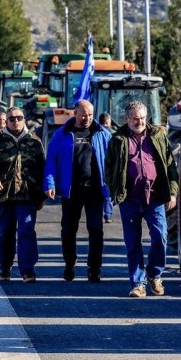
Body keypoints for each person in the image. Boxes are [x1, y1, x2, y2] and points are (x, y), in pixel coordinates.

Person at [106, 101, 178, 298]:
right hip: (130, 199)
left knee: (160, 237)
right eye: (135, 119)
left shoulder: (158, 136)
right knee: (133, 242)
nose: (139, 122)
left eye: (143, 118)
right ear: (127, 119)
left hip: (155, 198)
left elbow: (170, 166)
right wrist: (115, 191)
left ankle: (155, 274)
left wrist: (172, 192)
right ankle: (138, 283)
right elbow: (109, 168)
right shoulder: (118, 139)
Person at [44, 100, 111, 283]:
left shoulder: (102, 134)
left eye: (90, 115)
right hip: (71, 191)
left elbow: (112, 161)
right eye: (83, 114)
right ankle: (69, 264)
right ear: (75, 113)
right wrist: (49, 183)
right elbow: (51, 161)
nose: (87, 118)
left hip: (95, 191)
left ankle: (94, 268)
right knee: (68, 230)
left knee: (96, 229)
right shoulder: (62, 135)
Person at [0, 106, 46, 283]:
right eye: (11, 119)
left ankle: (27, 270)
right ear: (6, 121)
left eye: (19, 118)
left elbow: (43, 168)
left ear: (24, 119)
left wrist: (42, 195)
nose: (15, 121)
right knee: (4, 234)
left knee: (26, 231)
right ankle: (5, 266)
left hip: (27, 195)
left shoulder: (34, 141)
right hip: (4, 196)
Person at [98, 112, 114, 224]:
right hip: (108, 167)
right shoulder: (112, 134)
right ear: (108, 122)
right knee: (108, 194)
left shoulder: (93, 133)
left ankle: (97, 214)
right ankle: (108, 215)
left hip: (97, 167)